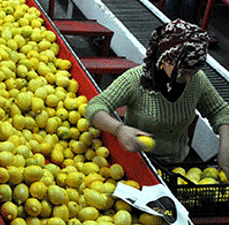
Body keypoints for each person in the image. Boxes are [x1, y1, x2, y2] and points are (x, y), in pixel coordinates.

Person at [85, 19, 229, 176]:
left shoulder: (197, 80)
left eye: (192, 72)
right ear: (165, 59)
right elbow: (95, 107)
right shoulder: (136, 80)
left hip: (177, 167)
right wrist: (119, 129)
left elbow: (220, 111)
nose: (188, 78)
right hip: (139, 162)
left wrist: (225, 148)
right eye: (183, 72)